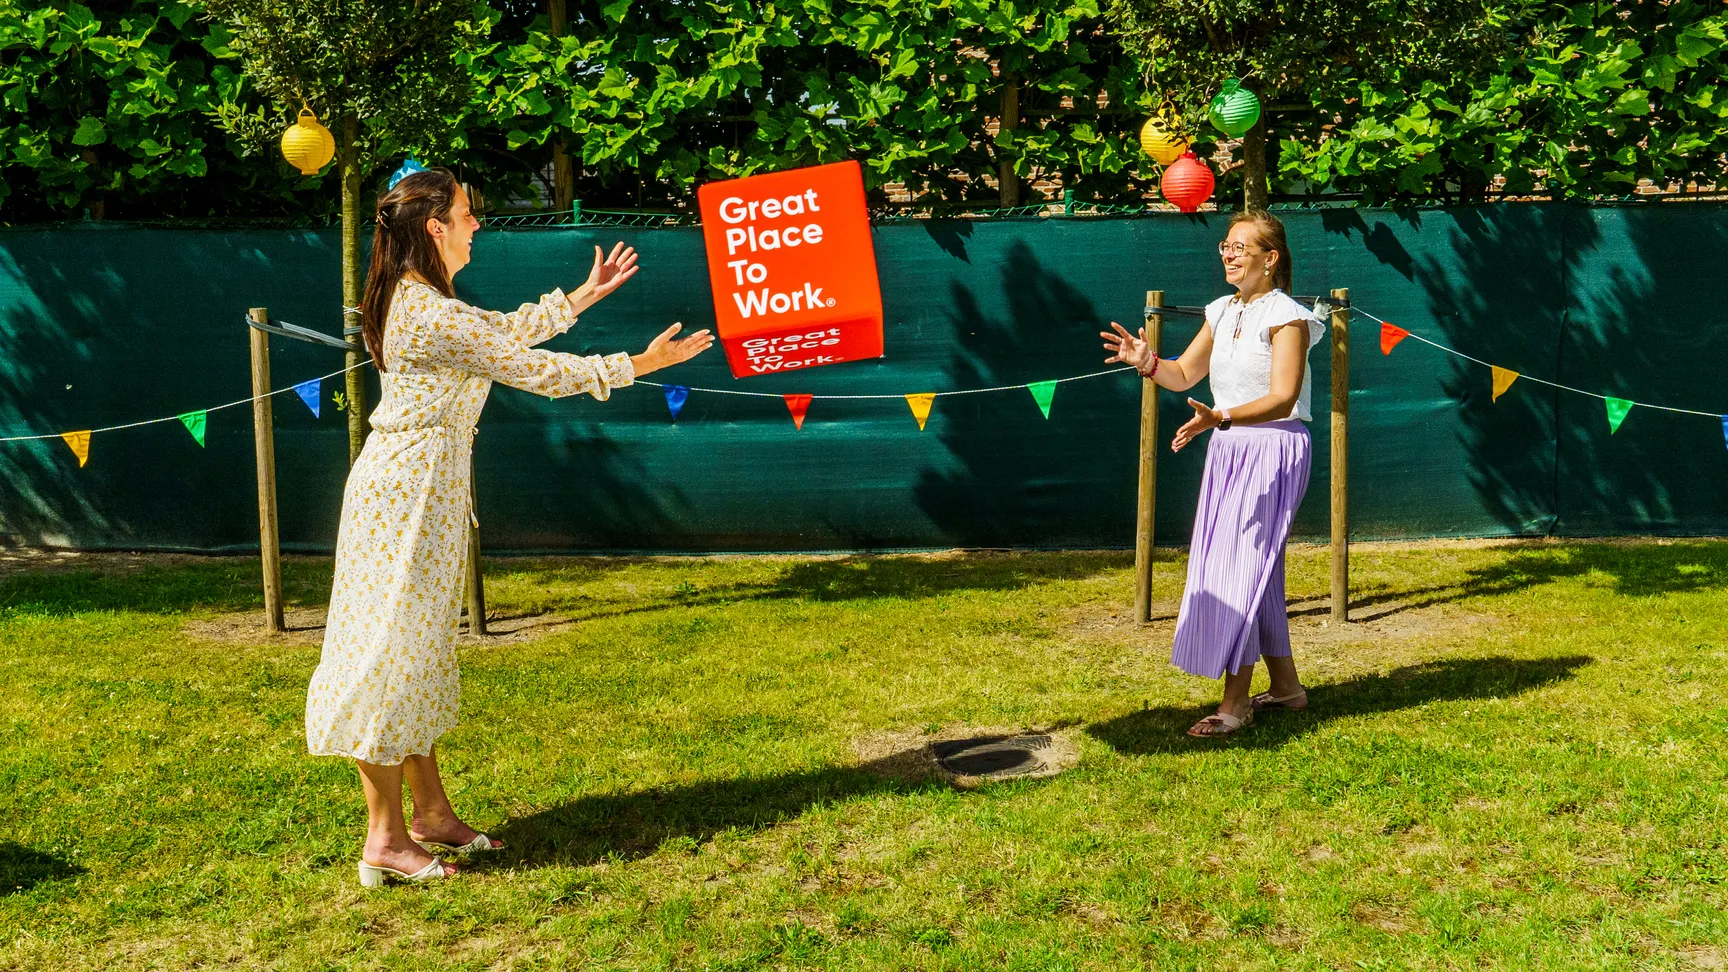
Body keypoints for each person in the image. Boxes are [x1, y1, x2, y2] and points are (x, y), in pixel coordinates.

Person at [305, 168, 712, 886]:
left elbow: (501, 333)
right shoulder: (427, 310)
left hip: (424, 499)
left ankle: (429, 814)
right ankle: (384, 839)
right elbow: (535, 370)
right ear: (435, 228)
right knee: (385, 658)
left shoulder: (432, 302)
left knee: (418, 654)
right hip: (400, 504)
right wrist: (640, 363)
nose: (476, 225)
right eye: (467, 214)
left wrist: (582, 296)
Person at [1102, 209, 1324, 738]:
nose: (1227, 254)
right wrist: (1145, 361)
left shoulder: (1289, 317)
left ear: (1269, 259)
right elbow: (1183, 375)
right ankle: (1289, 689)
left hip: (1273, 448)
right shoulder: (1221, 311)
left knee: (1239, 570)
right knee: (1256, 569)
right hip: (1229, 449)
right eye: (1225, 246)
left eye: (1239, 247)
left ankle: (1235, 704)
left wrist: (1218, 416)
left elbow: (1282, 397)